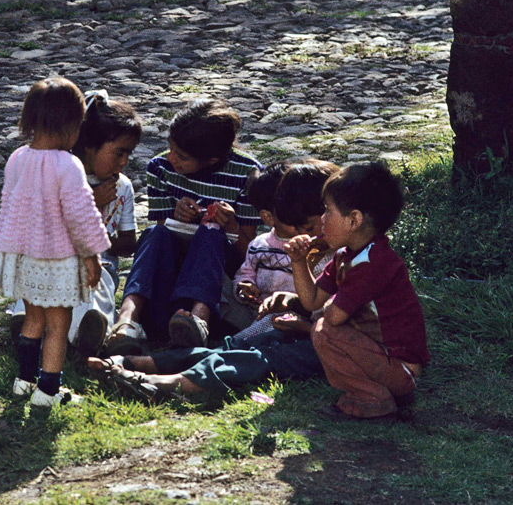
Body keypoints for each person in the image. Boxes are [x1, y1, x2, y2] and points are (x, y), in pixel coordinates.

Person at [87, 159, 340, 401]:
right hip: (275, 322)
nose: (318, 227)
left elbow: (340, 323)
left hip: (311, 339)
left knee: (251, 356)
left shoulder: (346, 258)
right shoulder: (305, 248)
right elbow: (261, 275)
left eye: (310, 224)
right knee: (232, 348)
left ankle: (165, 381)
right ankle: (134, 354)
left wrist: (301, 318)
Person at [104, 99, 263, 354]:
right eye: (171, 148)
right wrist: (174, 218)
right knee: (155, 233)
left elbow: (250, 254)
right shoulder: (161, 168)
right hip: (169, 284)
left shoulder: (247, 173)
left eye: (183, 157)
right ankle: (128, 320)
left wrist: (231, 224)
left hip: (218, 286)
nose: (172, 158)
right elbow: (158, 245)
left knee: (210, 233)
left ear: (212, 159)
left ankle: (199, 319)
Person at [0, 78, 111, 407]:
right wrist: (92, 255)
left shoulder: (17, 158)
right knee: (59, 324)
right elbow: (81, 215)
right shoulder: (68, 165)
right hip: (57, 260)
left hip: (25, 255)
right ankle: (49, 391)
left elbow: (9, 206)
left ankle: (24, 381)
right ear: (73, 125)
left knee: (33, 319)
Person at [284, 161, 429, 421]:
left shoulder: (374, 262)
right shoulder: (346, 255)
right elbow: (311, 300)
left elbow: (333, 317)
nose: (323, 220)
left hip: (400, 368)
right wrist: (299, 262)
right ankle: (377, 392)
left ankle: (372, 398)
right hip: (382, 359)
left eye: (328, 211)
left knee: (324, 331)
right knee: (321, 326)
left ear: (354, 220)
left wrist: (322, 313)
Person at [7, 90, 142, 357]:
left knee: (96, 284)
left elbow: (128, 243)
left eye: (128, 154)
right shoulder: (62, 176)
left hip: (97, 264)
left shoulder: (122, 187)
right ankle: (25, 321)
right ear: (90, 146)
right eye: (118, 153)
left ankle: (87, 330)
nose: (124, 162)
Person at [227, 160, 339, 342]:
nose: (305, 235)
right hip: (257, 311)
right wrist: (244, 287)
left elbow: (323, 311)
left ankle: (231, 347)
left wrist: (297, 311)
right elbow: (245, 272)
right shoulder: (261, 245)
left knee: (273, 326)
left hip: (301, 324)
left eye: (308, 228)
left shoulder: (335, 257)